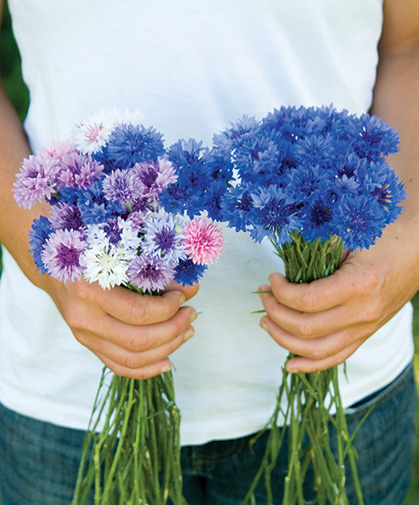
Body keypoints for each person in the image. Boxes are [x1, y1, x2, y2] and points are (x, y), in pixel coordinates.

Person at [0, 1, 418, 504]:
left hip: (342, 383)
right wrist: (47, 251)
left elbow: (409, 45)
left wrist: (406, 243)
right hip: (67, 389)